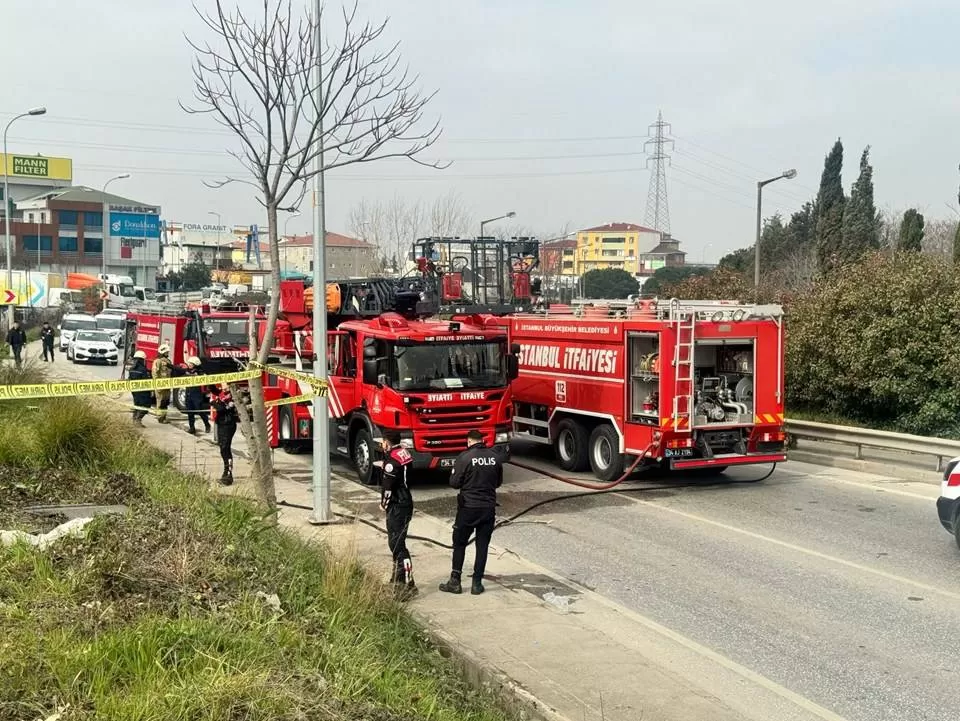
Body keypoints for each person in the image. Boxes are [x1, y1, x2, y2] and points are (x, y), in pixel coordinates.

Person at [439, 429, 504, 596]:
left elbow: (454, 483)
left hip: (468, 508)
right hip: (488, 508)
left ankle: (455, 581)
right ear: (482, 440)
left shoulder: (465, 457)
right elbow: (498, 482)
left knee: (459, 543)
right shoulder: (495, 457)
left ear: (469, 441)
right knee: (482, 546)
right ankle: (477, 583)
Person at [379, 431, 417, 598]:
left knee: (397, 544)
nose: (382, 445)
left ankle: (408, 584)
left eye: (383, 442)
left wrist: (384, 504)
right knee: (397, 542)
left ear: (387, 442)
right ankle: (397, 579)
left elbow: (388, 488)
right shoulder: (404, 453)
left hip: (397, 504)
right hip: (406, 500)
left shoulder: (391, 462)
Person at [210, 385, 238, 485]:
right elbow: (214, 389)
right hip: (221, 423)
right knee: (222, 448)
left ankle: (228, 474)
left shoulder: (232, 395)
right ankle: (226, 472)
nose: (223, 384)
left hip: (228, 424)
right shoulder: (222, 392)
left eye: (225, 383)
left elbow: (222, 409)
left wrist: (213, 403)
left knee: (226, 448)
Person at [174, 356, 211, 435]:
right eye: (189, 363)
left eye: (191, 364)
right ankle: (192, 428)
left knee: (199, 410)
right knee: (190, 412)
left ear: (195, 364)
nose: (189, 365)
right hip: (188, 393)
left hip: (196, 394)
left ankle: (207, 425)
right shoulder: (187, 371)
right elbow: (178, 369)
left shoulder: (200, 372)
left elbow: (206, 378)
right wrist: (168, 365)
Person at [127, 350, 152, 427]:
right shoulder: (143, 370)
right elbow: (146, 381)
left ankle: (134, 419)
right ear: (142, 360)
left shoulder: (131, 369)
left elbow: (129, 379)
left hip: (134, 391)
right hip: (143, 392)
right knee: (146, 405)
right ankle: (138, 420)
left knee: (137, 404)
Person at [152, 344, 174, 423]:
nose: (168, 353)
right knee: (160, 401)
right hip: (160, 386)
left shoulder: (168, 361)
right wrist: (158, 384)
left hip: (167, 385)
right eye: (166, 352)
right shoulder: (157, 361)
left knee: (165, 402)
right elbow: (155, 374)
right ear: (163, 352)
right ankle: (160, 418)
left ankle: (164, 417)